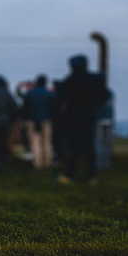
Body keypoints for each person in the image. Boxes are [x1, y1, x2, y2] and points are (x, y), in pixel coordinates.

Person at [55, 55, 109, 184]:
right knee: (89, 147)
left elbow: (60, 99)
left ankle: (70, 175)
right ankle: (91, 176)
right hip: (90, 117)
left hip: (72, 117)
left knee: (73, 147)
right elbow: (105, 96)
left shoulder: (69, 80)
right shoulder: (94, 80)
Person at [22, 75, 55, 170]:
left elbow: (25, 107)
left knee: (35, 142)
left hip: (32, 120)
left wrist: (25, 118)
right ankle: (47, 162)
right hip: (46, 120)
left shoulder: (30, 93)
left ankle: (37, 163)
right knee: (47, 142)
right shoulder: (49, 94)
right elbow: (52, 108)